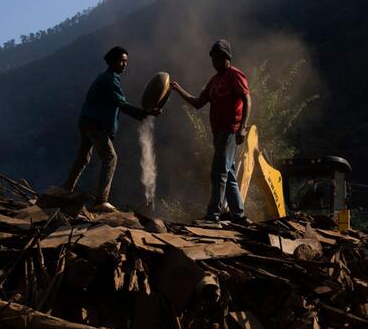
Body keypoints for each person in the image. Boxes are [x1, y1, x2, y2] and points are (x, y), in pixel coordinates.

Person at [64, 46, 158, 212]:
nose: (124, 64)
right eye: (122, 61)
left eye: (126, 62)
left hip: (87, 122)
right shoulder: (109, 80)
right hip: (95, 124)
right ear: (113, 61)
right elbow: (122, 104)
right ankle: (101, 200)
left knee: (83, 158)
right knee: (110, 157)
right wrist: (145, 114)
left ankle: (65, 190)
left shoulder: (107, 77)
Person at [171, 39, 252, 224]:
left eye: (217, 58)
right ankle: (239, 215)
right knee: (229, 172)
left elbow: (247, 99)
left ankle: (213, 215)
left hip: (230, 130)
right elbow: (198, 102)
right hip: (218, 133)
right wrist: (178, 90)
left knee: (218, 172)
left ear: (226, 57)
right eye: (212, 59)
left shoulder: (235, 75)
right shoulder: (214, 81)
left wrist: (242, 127)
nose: (214, 63)